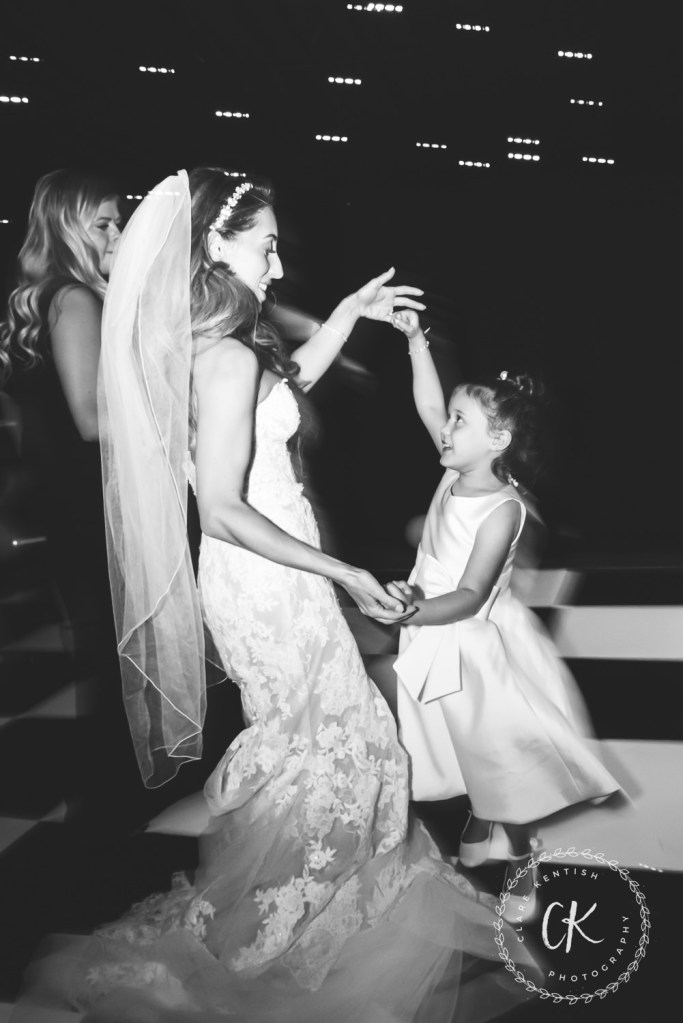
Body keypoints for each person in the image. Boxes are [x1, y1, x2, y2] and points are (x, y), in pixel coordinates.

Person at [13, 169, 541, 1022]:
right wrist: (345, 573)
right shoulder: (221, 357)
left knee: (339, 748)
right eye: (266, 246)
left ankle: (321, 912)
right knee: (338, 750)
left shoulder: (219, 348)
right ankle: (266, 940)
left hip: (275, 579)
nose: (279, 264)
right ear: (217, 247)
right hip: (266, 587)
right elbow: (222, 510)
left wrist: (349, 313)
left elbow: (287, 383)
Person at [385, 309, 620, 918]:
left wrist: (412, 608)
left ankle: (521, 856)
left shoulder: (503, 509)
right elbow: (427, 403)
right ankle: (477, 809)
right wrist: (416, 341)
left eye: (459, 421)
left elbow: (470, 594)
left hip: (476, 641)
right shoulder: (454, 470)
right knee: (447, 741)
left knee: (499, 754)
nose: (444, 428)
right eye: (450, 418)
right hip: (431, 628)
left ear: (498, 441)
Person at [0, 170, 132, 830]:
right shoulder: (74, 298)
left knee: (104, 652)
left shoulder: (46, 298)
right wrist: (180, 415)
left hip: (64, 502)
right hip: (89, 505)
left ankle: (102, 800)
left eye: (118, 220)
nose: (118, 233)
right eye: (103, 223)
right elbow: (89, 418)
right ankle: (106, 805)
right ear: (67, 227)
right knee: (112, 655)